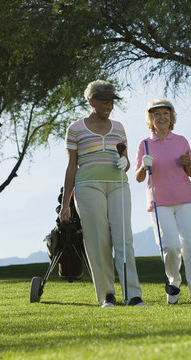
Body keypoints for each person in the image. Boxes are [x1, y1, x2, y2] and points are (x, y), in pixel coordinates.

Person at [59, 80, 146, 307]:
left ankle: (133, 295)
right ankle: (107, 295)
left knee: (123, 238)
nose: (109, 105)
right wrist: (66, 204)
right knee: (98, 241)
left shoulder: (118, 127)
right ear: (91, 102)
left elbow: (126, 164)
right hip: (88, 185)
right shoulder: (76, 129)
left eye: (111, 102)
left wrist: (124, 162)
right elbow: (71, 166)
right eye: (104, 101)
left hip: (118, 184)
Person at [135, 99, 191, 305]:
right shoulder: (145, 144)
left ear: (171, 117)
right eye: (156, 114)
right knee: (171, 248)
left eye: (165, 113)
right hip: (159, 202)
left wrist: (188, 164)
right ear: (151, 119)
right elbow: (139, 177)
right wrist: (143, 167)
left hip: (185, 199)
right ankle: (174, 284)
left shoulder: (181, 140)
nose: (161, 117)